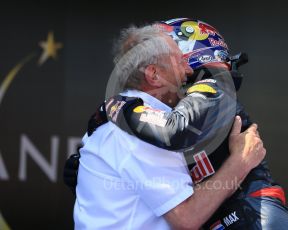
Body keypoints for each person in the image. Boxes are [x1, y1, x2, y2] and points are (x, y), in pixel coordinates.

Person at [70, 24, 265, 229]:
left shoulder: (119, 117)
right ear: (154, 75)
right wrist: (241, 161)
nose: (189, 70)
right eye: (180, 61)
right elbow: (186, 218)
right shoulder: (145, 131)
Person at [113, 18, 288, 229]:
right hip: (217, 215)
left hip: (252, 212)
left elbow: (174, 130)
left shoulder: (215, 86)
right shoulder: (168, 107)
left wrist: (117, 108)